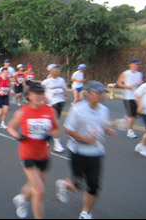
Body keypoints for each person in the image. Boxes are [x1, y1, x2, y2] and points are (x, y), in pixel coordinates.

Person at [55, 81, 116, 220]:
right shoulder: (78, 109)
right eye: (98, 92)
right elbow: (68, 129)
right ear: (88, 94)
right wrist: (84, 138)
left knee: (94, 185)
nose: (101, 95)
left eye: (102, 93)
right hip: (78, 152)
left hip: (96, 152)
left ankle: (85, 212)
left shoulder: (104, 110)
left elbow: (102, 126)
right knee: (77, 185)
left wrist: (108, 130)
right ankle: (64, 185)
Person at [7, 81, 60, 219]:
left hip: (43, 155)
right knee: (39, 190)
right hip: (27, 154)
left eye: (40, 93)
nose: (38, 96)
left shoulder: (50, 111)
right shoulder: (22, 112)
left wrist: (52, 134)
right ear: (28, 95)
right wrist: (18, 136)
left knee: (34, 184)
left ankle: (21, 199)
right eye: (35, 93)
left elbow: (57, 129)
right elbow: (10, 127)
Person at [42, 64, 69, 153]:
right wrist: (44, 98)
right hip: (51, 105)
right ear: (50, 71)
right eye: (55, 69)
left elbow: (64, 88)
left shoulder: (61, 80)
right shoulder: (46, 81)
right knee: (56, 123)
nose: (57, 70)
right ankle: (57, 144)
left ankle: (44, 138)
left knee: (52, 124)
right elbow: (39, 90)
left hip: (60, 104)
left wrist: (65, 95)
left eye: (58, 69)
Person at [116, 58, 144, 138]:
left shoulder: (139, 74)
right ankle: (130, 131)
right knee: (132, 116)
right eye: (135, 64)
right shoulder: (125, 74)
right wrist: (127, 86)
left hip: (137, 97)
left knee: (138, 113)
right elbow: (119, 83)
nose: (137, 66)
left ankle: (124, 120)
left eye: (138, 64)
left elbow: (140, 83)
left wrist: (140, 83)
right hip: (128, 97)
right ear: (130, 65)